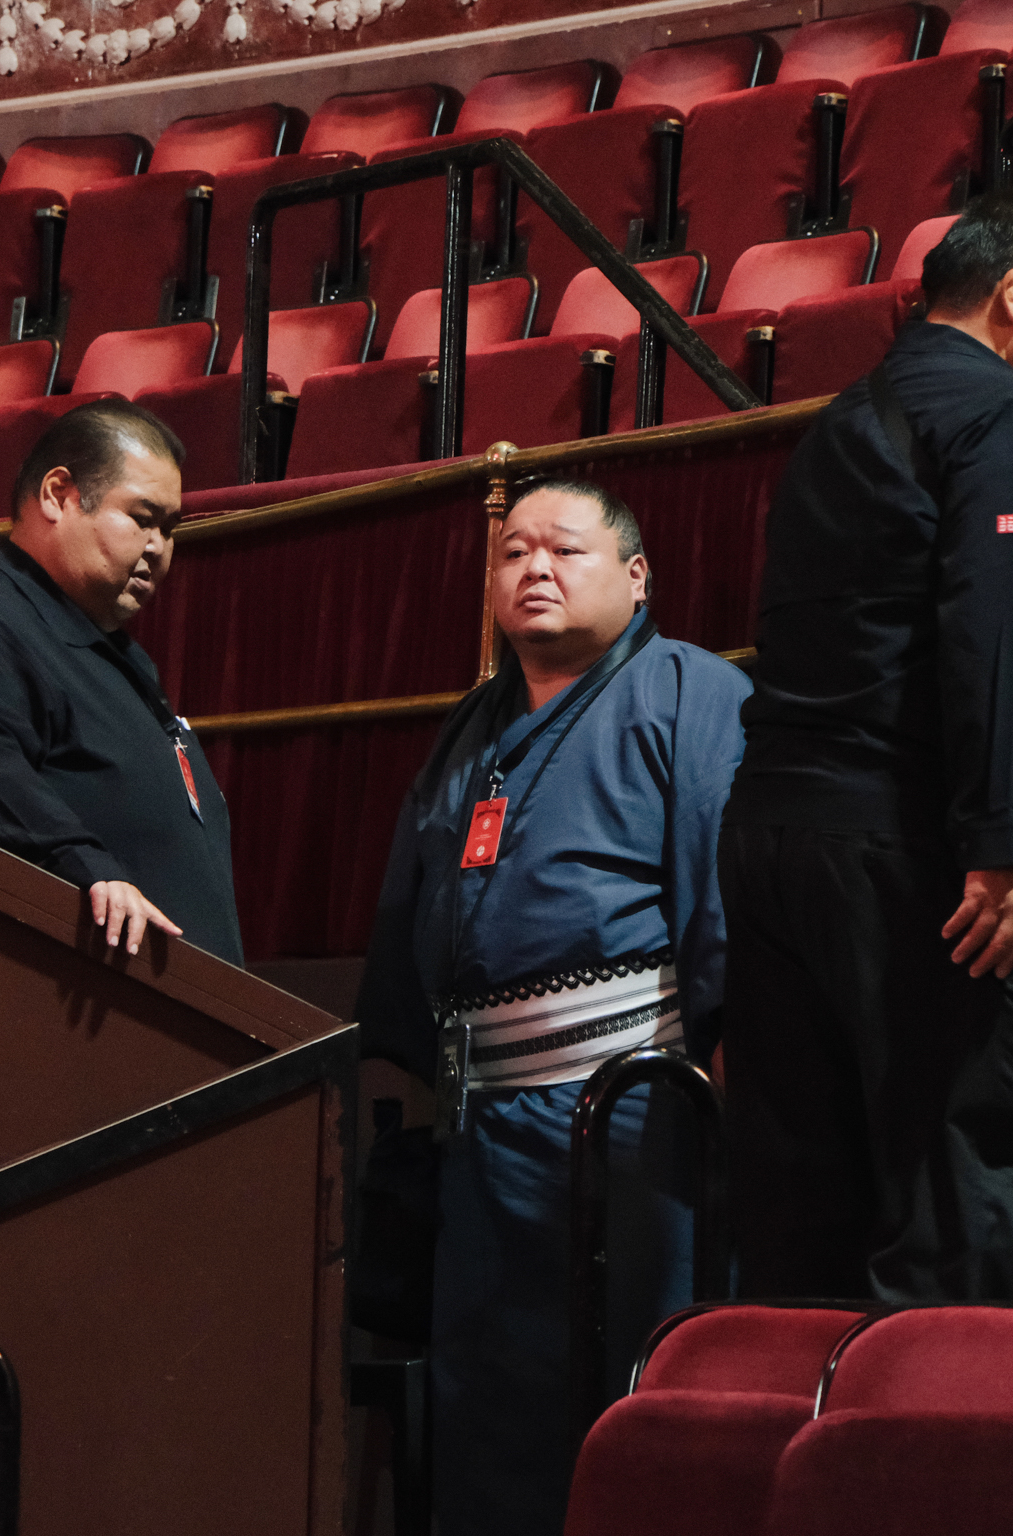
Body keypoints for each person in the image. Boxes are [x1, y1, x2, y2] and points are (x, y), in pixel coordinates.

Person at [721, 187, 1013, 1301]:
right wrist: (1001, 835)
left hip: (774, 843)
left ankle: (812, 1468)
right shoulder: (1010, 420)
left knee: (802, 1235)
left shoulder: (843, 418)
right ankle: (935, 1473)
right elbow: (1003, 625)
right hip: (912, 855)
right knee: (962, 1210)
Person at [353, 476, 749, 1536]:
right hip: (486, 1123)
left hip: (632, 1109)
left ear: (635, 576)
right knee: (491, 1400)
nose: (533, 568)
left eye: (564, 551)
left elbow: (725, 886)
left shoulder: (690, 693)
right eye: (514, 552)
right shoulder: (473, 727)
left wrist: (725, 1057)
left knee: (633, 1381)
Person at [0, 400, 241, 962]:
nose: (159, 548)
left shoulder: (112, 650)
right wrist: (85, 866)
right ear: (58, 495)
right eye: (141, 517)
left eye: (170, 527)